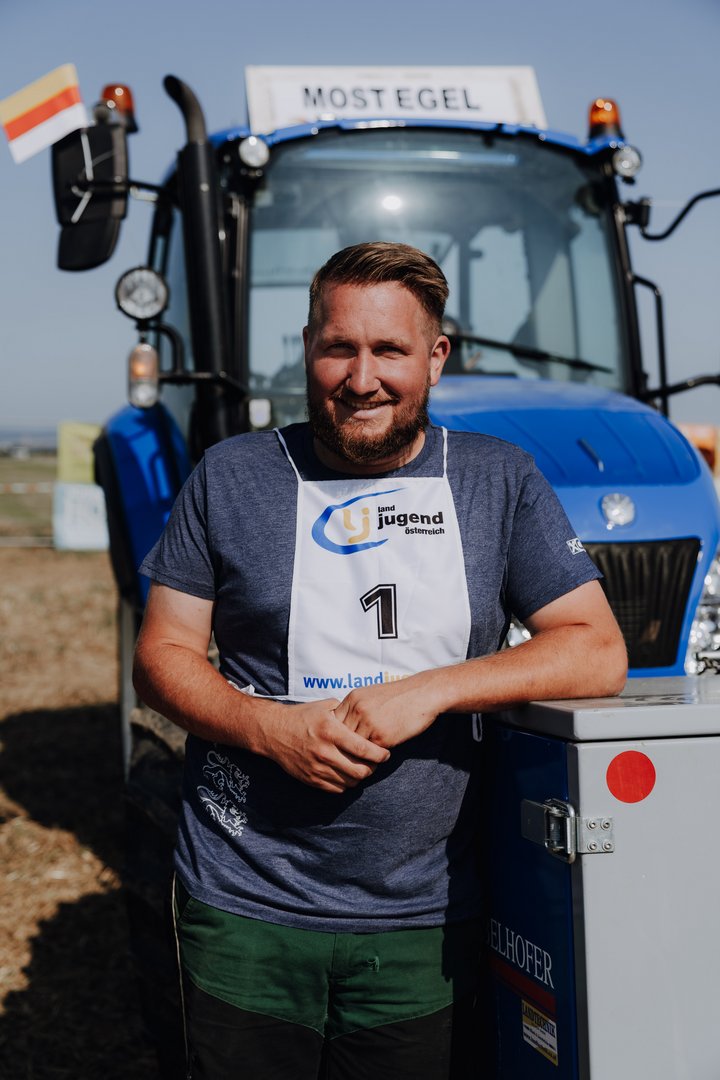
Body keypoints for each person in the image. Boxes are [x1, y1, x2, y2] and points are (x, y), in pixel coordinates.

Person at [133, 241, 627, 1080]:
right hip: (244, 907)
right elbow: (160, 656)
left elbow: (598, 649)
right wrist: (268, 729)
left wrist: (430, 692)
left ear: (436, 356)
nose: (362, 379)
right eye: (339, 348)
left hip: (422, 921)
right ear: (308, 347)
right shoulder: (231, 475)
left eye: (390, 350)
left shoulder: (497, 480)